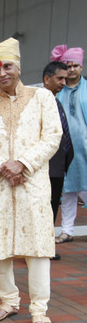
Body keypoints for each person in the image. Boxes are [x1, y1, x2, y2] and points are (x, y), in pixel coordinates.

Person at [0, 36, 62, 323]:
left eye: (7, 66)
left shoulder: (42, 98)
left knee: (37, 248)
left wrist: (22, 162)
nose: (2, 73)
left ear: (18, 67)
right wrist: (3, 168)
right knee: (1, 248)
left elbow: (52, 137)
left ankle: (39, 310)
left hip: (31, 183)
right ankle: (9, 301)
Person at [51, 44, 87, 244]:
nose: (72, 69)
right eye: (68, 65)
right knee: (68, 191)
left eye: (76, 65)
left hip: (85, 148)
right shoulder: (58, 91)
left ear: (81, 67)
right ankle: (66, 231)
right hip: (65, 149)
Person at [42, 60, 74, 261]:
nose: (64, 82)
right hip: (46, 167)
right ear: (47, 79)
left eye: (65, 78)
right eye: (59, 78)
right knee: (44, 208)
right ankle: (42, 248)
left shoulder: (56, 100)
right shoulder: (40, 101)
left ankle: (46, 246)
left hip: (58, 166)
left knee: (53, 206)